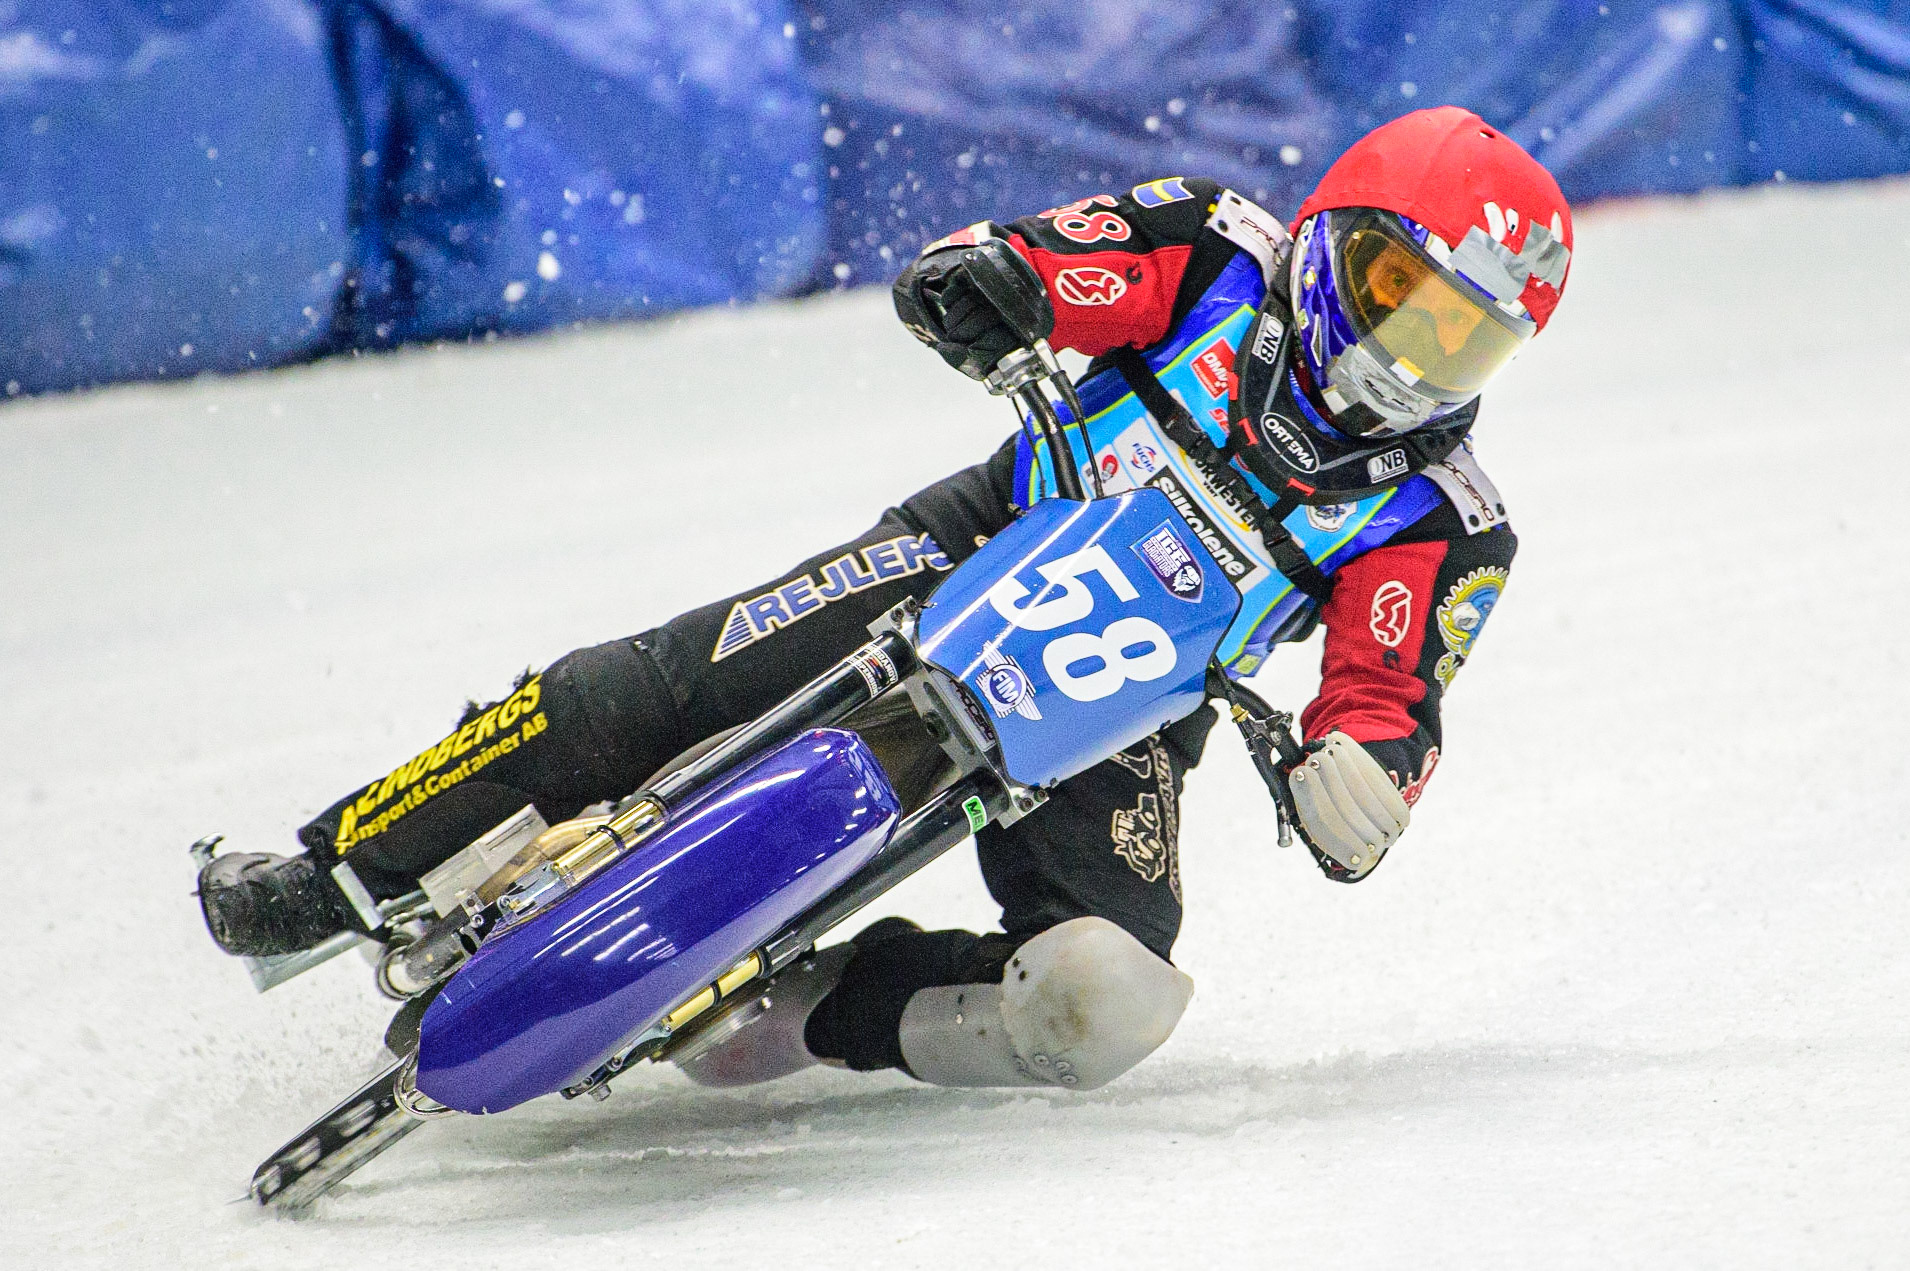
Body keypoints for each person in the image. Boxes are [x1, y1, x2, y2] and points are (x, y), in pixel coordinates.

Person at [197, 106, 1571, 1092]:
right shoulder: (1213, 246)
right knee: (639, 688)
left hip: (1136, 709)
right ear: (1333, 234)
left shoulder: (1443, 522)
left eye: (1463, 332)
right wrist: (987, 284)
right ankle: (330, 875)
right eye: (1397, 290)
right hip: (973, 541)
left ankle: (805, 1017)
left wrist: (1363, 778)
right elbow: (1045, 262)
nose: (1408, 349)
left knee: (1108, 995)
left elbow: (1391, 695)